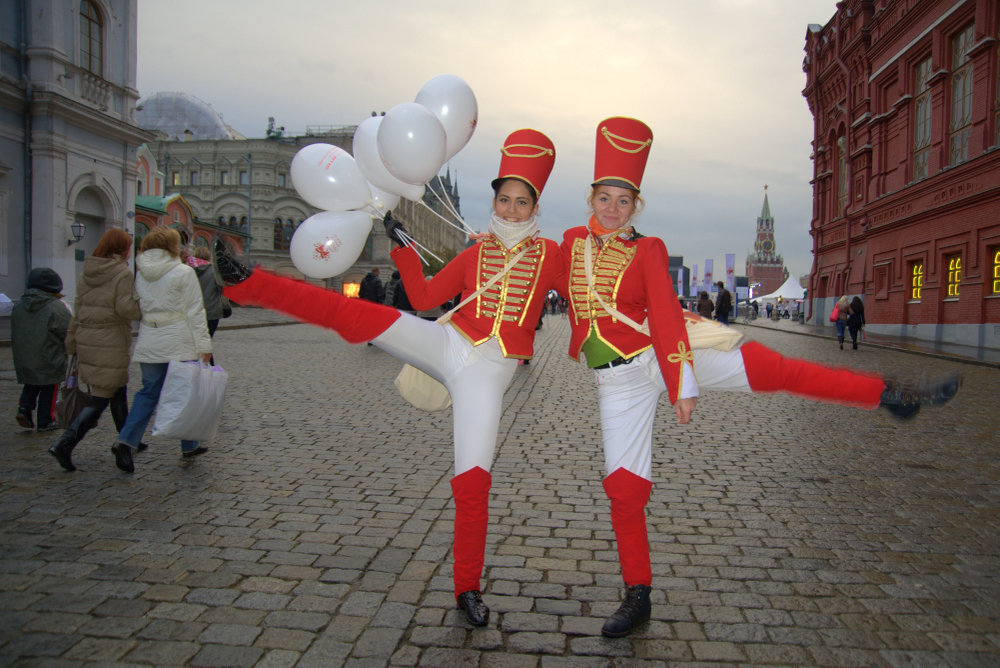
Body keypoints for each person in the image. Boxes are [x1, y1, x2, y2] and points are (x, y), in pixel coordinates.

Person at [561, 116, 961, 639]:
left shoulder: (649, 248)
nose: (612, 209)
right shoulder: (569, 243)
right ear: (590, 199)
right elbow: (539, 268)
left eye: (623, 200)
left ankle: (889, 393)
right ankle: (639, 592)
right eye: (604, 198)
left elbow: (662, 312)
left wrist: (683, 384)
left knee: (776, 369)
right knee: (623, 487)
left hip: (669, 352)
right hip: (618, 381)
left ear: (636, 206)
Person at [215, 129, 565, 627]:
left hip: (487, 373)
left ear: (535, 207)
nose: (510, 210)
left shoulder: (551, 255)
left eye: (521, 202)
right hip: (448, 343)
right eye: (504, 200)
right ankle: (250, 285)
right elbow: (423, 299)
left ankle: (466, 587)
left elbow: (595, 295)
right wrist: (402, 246)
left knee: (473, 481)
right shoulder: (474, 251)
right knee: (360, 317)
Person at [109, 227, 213, 473]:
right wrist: (204, 346)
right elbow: (195, 312)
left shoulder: (142, 272)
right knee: (184, 394)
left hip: (151, 338)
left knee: (148, 393)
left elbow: (140, 303)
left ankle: (126, 440)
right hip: (179, 339)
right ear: (172, 246)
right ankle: (189, 444)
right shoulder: (183, 272)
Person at [47, 229, 143, 471]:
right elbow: (125, 309)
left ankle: (127, 445)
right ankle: (65, 443)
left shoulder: (87, 273)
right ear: (121, 249)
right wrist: (143, 304)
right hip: (109, 341)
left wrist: (71, 342)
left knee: (117, 393)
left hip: (87, 339)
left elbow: (77, 310)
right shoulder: (122, 274)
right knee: (100, 398)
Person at [12, 268, 71, 432]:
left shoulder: (18, 306)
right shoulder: (55, 307)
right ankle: (46, 420)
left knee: (31, 382)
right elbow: (67, 331)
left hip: (25, 356)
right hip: (49, 356)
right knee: (50, 387)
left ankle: (24, 408)